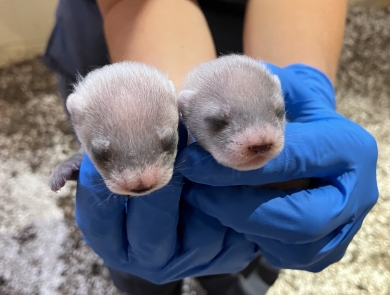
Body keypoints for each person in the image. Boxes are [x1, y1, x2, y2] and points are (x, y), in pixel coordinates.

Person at [43, 0, 379, 294]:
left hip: (244, 44)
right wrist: (170, 115)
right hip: (123, 28)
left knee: (252, 239)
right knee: (136, 241)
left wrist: (306, 83)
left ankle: (239, 280)